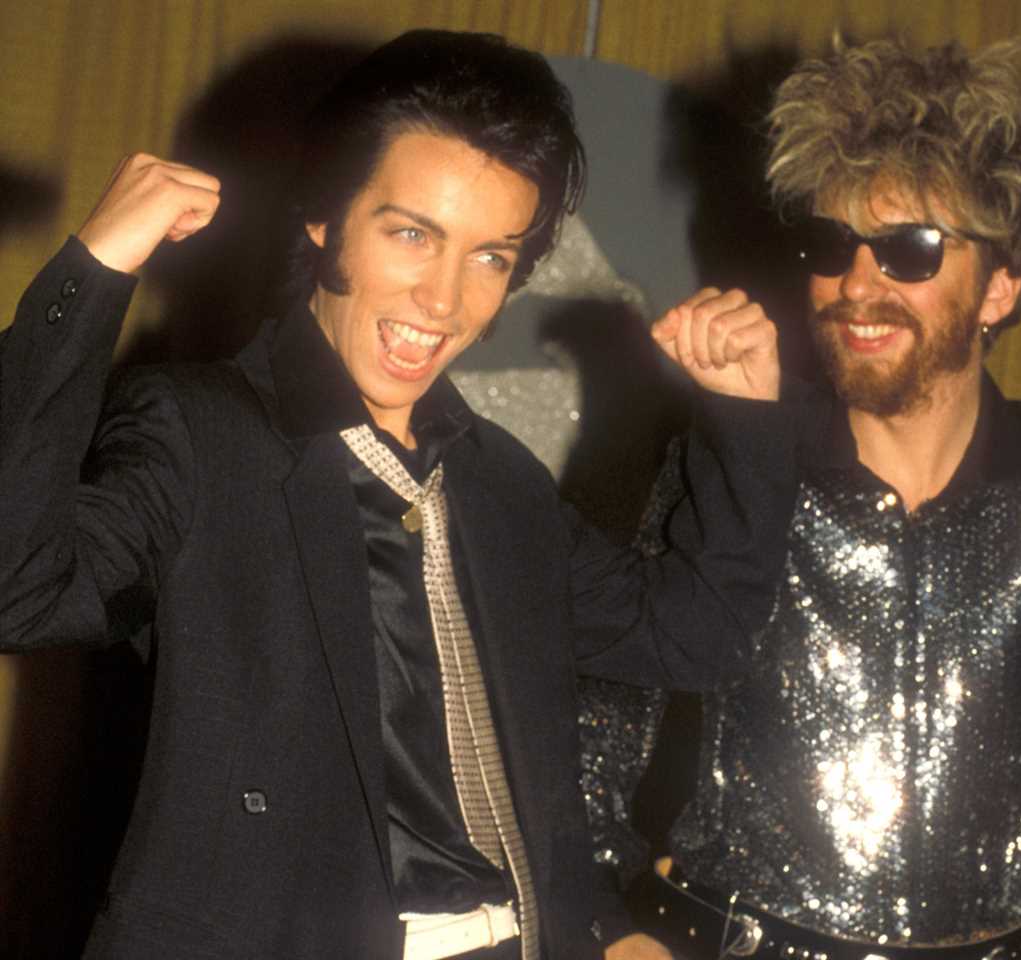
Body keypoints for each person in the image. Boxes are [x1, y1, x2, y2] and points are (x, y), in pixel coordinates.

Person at [0, 29, 799, 960]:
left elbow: (699, 632)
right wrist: (90, 277)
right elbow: (18, 583)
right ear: (324, 217)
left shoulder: (498, 481)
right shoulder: (200, 431)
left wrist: (748, 418)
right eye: (412, 234)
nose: (444, 300)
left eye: (492, 257)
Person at [581, 36, 1021, 960]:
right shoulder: (734, 464)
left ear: (1002, 283)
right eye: (833, 244)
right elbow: (591, 751)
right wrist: (613, 929)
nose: (859, 284)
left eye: (910, 249)